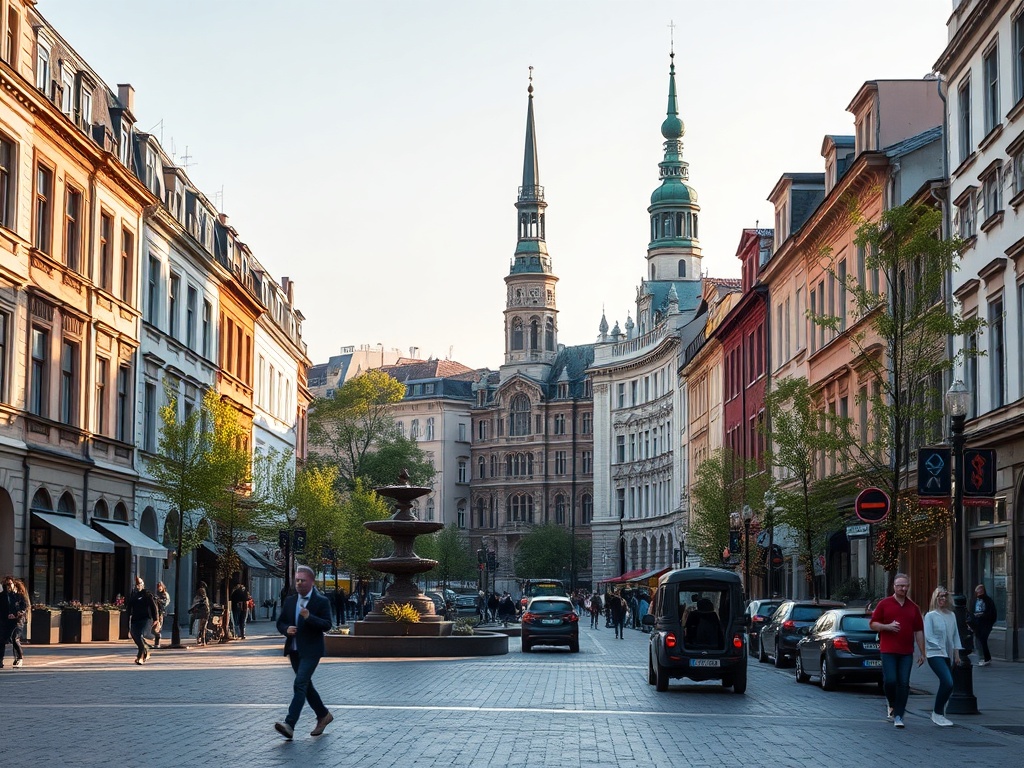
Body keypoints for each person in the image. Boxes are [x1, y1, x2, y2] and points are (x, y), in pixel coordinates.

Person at [274, 564, 333, 740]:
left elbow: (327, 625)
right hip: (294, 650)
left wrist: (309, 618)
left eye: (302, 580)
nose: (299, 583)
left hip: (311, 650)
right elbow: (280, 622)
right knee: (305, 685)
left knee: (300, 684)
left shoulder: (321, 601)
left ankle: (289, 724)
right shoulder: (291, 600)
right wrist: (286, 630)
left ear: (312, 582)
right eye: (297, 580)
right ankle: (323, 715)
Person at [870, 573, 925, 729]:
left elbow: (919, 631)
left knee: (904, 683)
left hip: (907, 651)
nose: (904, 588)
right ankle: (892, 703)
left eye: (906, 585)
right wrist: (887, 627)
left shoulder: (914, 608)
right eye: (900, 585)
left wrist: (922, 652)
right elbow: (873, 624)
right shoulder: (884, 604)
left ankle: (899, 715)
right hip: (888, 650)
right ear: (894, 586)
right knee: (890, 681)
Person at [924, 586, 962, 727]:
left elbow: (955, 635)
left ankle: (941, 713)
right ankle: (937, 713)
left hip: (948, 655)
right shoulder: (930, 616)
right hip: (935, 654)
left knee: (948, 684)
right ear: (935, 598)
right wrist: (937, 647)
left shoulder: (951, 615)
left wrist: (956, 654)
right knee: (948, 682)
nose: (943, 599)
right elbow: (928, 635)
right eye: (940, 596)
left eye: (945, 596)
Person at [126, 577, 158, 665]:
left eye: (139, 584)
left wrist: (156, 619)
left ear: (142, 585)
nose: (137, 586)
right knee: (134, 635)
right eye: (136, 585)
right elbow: (129, 609)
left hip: (145, 619)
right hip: (135, 619)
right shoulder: (133, 596)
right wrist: (127, 621)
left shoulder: (147, 594)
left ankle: (140, 657)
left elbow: (153, 606)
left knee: (140, 636)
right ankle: (146, 650)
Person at [1, 575, 28, 668]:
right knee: (1, 639)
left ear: (14, 584)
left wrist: (17, 614)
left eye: (9, 584)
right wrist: (6, 615)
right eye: (6, 584)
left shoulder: (19, 595)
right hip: (6, 620)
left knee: (14, 638)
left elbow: (24, 607)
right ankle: (0, 660)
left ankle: (19, 658)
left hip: (18, 621)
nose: (8, 586)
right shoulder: (2, 596)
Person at [970, 584, 997, 666]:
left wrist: (983, 616)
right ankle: (982, 657)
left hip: (986, 623)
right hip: (977, 623)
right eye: (978, 592)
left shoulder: (988, 600)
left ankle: (986, 658)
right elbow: (971, 611)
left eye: (981, 591)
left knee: (983, 639)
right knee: (979, 640)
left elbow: (992, 613)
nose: (979, 593)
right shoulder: (974, 600)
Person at [152, 581, 170, 648]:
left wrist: (158, 600)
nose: (159, 588)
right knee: (154, 629)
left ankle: (157, 642)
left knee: (157, 628)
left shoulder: (164, 594)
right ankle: (157, 641)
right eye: (158, 586)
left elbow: (165, 603)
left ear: (163, 587)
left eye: (160, 586)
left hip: (160, 613)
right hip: (156, 613)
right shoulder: (157, 594)